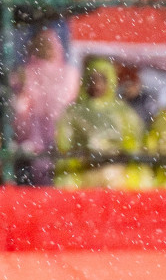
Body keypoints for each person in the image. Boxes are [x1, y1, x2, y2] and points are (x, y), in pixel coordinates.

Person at [54, 56, 146, 189]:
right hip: (84, 177)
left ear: (111, 81)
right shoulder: (73, 112)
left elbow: (134, 145)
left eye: (102, 79)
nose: (96, 84)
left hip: (118, 178)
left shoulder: (123, 112)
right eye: (92, 79)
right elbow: (64, 147)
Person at [11, 27, 78, 186]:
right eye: (40, 45)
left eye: (49, 45)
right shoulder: (24, 73)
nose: (45, 49)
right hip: (31, 142)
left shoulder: (69, 74)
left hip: (61, 139)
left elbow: (72, 107)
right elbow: (19, 111)